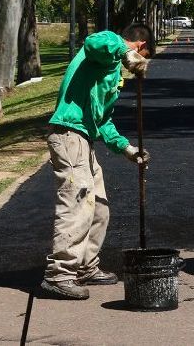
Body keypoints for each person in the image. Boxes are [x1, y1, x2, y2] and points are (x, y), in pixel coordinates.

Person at [38, 23, 155, 300]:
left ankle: (85, 266)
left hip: (84, 139)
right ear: (140, 46)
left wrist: (127, 149)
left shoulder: (111, 71)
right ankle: (60, 274)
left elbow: (102, 120)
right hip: (69, 134)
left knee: (99, 207)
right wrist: (125, 53)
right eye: (144, 55)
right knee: (77, 204)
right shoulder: (108, 45)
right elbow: (94, 42)